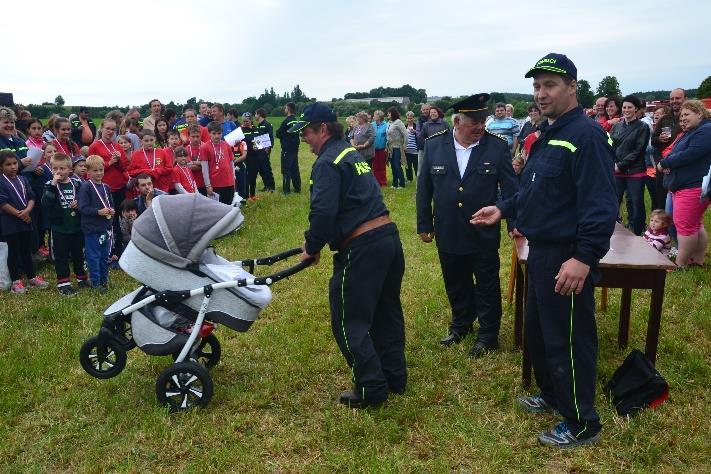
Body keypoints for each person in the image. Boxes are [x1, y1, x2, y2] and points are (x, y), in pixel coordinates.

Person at [472, 53, 617, 448]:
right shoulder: (548, 134)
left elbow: (601, 205)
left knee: (569, 337)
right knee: (540, 333)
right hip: (539, 252)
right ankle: (554, 396)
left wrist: (584, 257)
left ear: (572, 86)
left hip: (567, 254)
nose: (541, 93)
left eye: (550, 84)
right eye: (537, 86)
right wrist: (502, 208)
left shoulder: (587, 136)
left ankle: (582, 422)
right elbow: (534, 193)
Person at [292, 103, 406, 408]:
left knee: (347, 320)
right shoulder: (350, 153)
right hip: (388, 239)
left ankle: (371, 387)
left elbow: (324, 212)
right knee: (386, 314)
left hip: (363, 248)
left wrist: (312, 247)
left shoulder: (328, 161)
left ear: (323, 129)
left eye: (307, 132)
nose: (304, 138)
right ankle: (395, 377)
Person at [416, 93, 518, 356]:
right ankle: (461, 325)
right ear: (457, 121)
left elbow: (511, 189)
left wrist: (513, 223)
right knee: (455, 280)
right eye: (475, 121)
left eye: (483, 120)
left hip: (482, 230)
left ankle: (487, 335)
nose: (481, 126)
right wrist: (424, 222)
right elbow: (424, 188)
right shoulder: (434, 144)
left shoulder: (496, 147)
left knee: (486, 282)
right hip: (448, 228)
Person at [657, 99, 711, 268]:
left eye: (687, 114)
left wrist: (666, 163)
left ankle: (681, 265)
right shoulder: (692, 131)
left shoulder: (706, 130)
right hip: (681, 185)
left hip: (692, 186)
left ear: (699, 113)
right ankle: (697, 259)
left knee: (685, 226)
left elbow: (691, 153)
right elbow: (674, 152)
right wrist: (669, 162)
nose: (683, 119)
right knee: (695, 224)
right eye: (681, 117)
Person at [0, 150, 49, 294]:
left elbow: (32, 197)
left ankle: (32, 277)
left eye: (15, 163)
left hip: (26, 219)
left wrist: (27, 210)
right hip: (10, 222)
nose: (13, 167)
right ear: (1, 167)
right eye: (8, 164)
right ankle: (16, 281)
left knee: (26, 250)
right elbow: (2, 203)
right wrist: (19, 214)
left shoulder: (23, 179)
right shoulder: (2, 182)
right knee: (13, 251)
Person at [41, 152, 88, 295]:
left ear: (70, 169)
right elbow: (45, 203)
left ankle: (81, 279)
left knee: (78, 254)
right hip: (59, 227)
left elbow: (85, 202)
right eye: (55, 169)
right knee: (61, 256)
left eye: (62, 168)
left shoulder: (77, 184)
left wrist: (79, 203)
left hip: (76, 226)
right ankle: (64, 283)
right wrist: (53, 185)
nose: (58, 172)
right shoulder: (49, 185)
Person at [87, 119, 128, 258]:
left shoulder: (117, 146)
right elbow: (91, 168)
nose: (110, 132)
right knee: (106, 219)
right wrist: (109, 162)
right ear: (102, 128)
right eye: (108, 128)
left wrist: (120, 159)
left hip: (119, 187)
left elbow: (124, 168)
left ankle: (117, 249)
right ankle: (105, 249)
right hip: (103, 188)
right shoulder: (95, 146)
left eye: (113, 129)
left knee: (117, 220)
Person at [610, 95, 650, 235]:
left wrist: (620, 165)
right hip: (616, 171)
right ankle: (612, 232)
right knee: (614, 202)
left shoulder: (643, 127)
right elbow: (611, 146)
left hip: (635, 171)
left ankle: (638, 232)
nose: (626, 110)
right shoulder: (616, 126)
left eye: (630, 107)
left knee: (636, 203)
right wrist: (612, 162)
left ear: (636, 109)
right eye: (624, 107)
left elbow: (638, 151)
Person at [77, 155, 115, 292]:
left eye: (101, 170)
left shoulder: (106, 187)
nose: (99, 173)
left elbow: (110, 203)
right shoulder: (86, 187)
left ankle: (104, 279)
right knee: (93, 256)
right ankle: (95, 283)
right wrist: (98, 212)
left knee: (105, 255)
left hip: (105, 227)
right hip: (91, 228)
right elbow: (82, 208)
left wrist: (111, 210)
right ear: (88, 172)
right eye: (95, 171)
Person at [200, 121, 235, 205]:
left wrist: (233, 179)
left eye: (219, 133)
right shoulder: (205, 147)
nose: (217, 136)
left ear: (222, 133)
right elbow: (204, 168)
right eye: (214, 133)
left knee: (228, 205)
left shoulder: (226, 145)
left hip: (229, 183)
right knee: (217, 208)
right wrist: (208, 185)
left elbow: (231, 163)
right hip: (215, 184)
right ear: (209, 133)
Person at [275, 102, 301, 194]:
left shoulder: (286, 121)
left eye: (285, 108)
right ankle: (297, 188)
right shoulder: (296, 121)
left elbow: (278, 133)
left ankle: (286, 191)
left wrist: (282, 135)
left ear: (288, 109)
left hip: (287, 149)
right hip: (295, 148)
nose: (284, 110)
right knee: (295, 169)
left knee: (286, 170)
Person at [241, 113, 264, 200]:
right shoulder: (241, 130)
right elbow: (241, 143)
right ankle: (246, 196)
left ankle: (253, 195)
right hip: (246, 157)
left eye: (247, 121)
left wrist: (258, 147)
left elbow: (261, 142)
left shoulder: (256, 129)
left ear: (251, 120)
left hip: (256, 156)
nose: (245, 123)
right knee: (247, 176)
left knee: (253, 176)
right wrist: (251, 146)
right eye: (244, 121)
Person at [386, 107, 408, 189]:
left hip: (397, 147)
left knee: (397, 165)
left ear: (393, 113)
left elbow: (405, 134)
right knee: (393, 166)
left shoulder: (398, 122)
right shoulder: (389, 123)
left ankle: (402, 183)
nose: (387, 114)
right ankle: (394, 183)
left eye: (389, 113)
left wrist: (405, 146)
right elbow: (388, 135)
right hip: (390, 147)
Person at [254, 108, 276, 192]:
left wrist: (267, 149)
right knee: (261, 169)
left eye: (255, 114)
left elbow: (270, 137)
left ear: (259, 114)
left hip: (265, 150)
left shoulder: (267, 124)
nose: (255, 116)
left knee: (267, 168)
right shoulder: (259, 125)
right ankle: (266, 185)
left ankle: (271, 187)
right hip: (259, 150)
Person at [185, 125, 207, 195]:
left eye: (197, 136)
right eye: (193, 137)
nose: (195, 139)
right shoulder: (186, 149)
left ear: (200, 136)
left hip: (205, 183)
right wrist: (201, 164)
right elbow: (188, 167)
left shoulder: (205, 147)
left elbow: (208, 163)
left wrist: (193, 162)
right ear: (189, 137)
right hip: (192, 183)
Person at [371, 110, 388, 187]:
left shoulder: (386, 125)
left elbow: (388, 138)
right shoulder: (372, 125)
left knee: (382, 166)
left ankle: (383, 181)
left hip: (382, 149)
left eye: (374, 115)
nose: (373, 116)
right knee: (375, 166)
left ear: (379, 116)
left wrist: (387, 148)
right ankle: (376, 181)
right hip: (373, 149)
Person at [404, 111, 418, 182]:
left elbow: (421, 134)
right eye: (408, 118)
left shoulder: (417, 126)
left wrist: (415, 131)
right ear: (406, 119)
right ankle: (409, 179)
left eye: (411, 118)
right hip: (407, 150)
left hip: (416, 150)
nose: (409, 119)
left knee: (417, 166)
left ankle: (418, 178)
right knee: (408, 166)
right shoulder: (404, 126)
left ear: (413, 118)